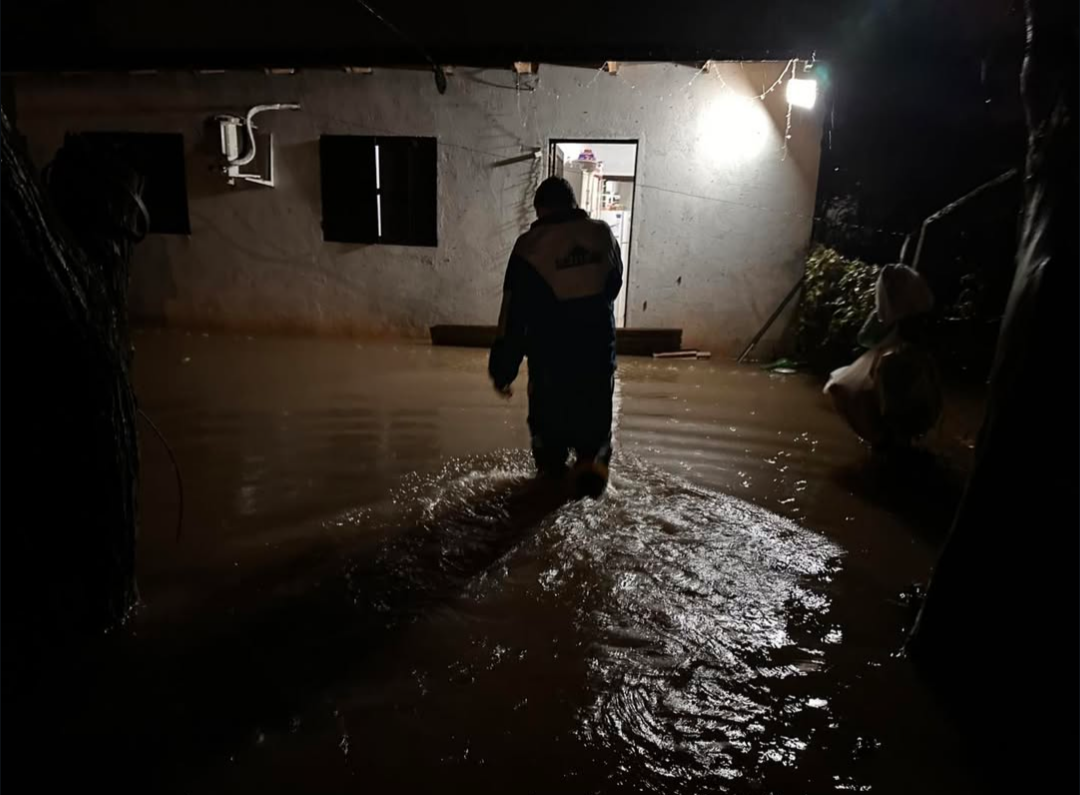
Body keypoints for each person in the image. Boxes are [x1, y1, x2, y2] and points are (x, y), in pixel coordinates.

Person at [489, 176, 623, 497]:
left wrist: (503, 370)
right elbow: (612, 286)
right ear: (574, 204)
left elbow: (513, 317)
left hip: (551, 373)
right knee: (594, 459)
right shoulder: (603, 235)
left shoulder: (529, 247)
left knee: (549, 469)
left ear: (541, 210)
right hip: (597, 368)